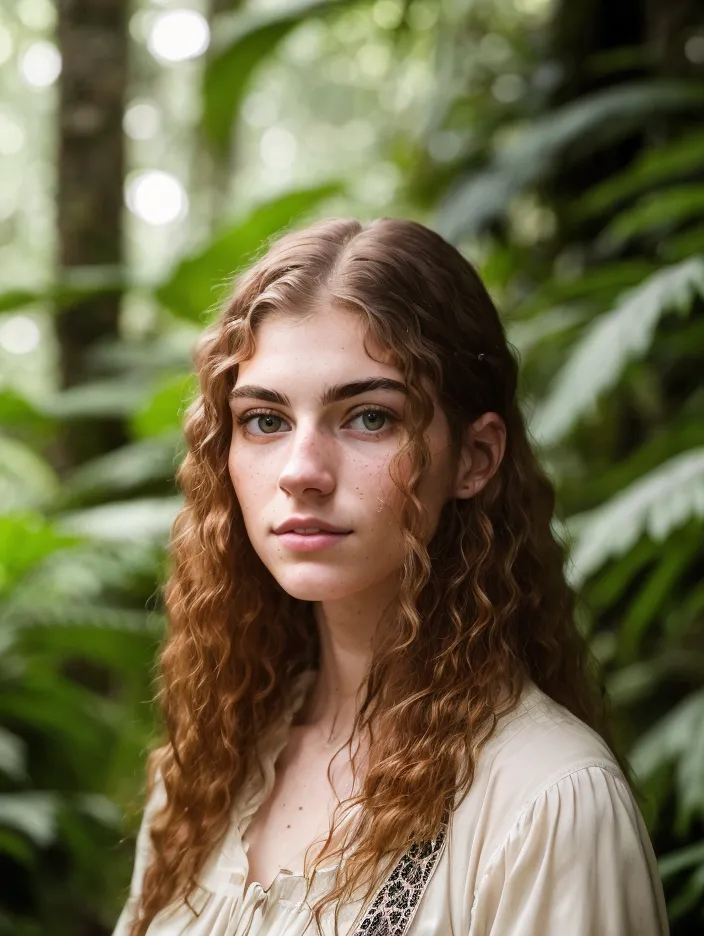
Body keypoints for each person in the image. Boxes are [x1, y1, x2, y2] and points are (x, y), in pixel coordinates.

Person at [113, 217, 669, 936]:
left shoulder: (547, 801)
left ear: (475, 457)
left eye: (369, 417)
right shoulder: (207, 774)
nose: (302, 473)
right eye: (264, 420)